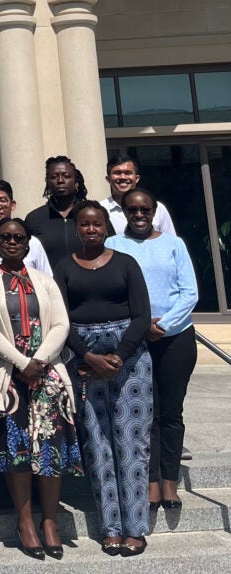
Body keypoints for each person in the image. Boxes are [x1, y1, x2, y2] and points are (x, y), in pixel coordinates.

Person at [0, 218, 81, 561]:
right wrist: (22, 362)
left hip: (47, 375)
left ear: (28, 243)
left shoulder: (44, 281)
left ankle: (49, 521)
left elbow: (61, 323)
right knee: (16, 451)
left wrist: (40, 358)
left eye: (19, 237)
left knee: (49, 450)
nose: (12, 242)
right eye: (5, 237)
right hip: (10, 378)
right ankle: (25, 523)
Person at [53, 200, 151, 557]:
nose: (90, 229)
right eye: (84, 224)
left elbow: (142, 315)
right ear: (77, 228)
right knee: (98, 443)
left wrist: (119, 356)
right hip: (84, 359)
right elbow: (61, 319)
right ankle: (110, 526)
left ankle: (135, 528)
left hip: (130, 359)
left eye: (96, 224)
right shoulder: (63, 267)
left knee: (131, 441)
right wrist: (88, 356)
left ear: (106, 226)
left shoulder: (126, 263)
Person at [107, 188, 198, 511]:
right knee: (145, 414)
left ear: (154, 211)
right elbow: (113, 291)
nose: (139, 216)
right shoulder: (113, 245)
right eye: (133, 211)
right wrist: (142, 325)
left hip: (175, 338)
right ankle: (150, 482)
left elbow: (190, 292)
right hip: (135, 339)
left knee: (170, 413)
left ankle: (170, 482)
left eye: (145, 210)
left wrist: (164, 324)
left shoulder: (174, 244)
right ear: (125, 212)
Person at [26, 155, 89, 268]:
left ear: (76, 183)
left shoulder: (91, 214)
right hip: (48, 283)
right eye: (54, 177)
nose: (60, 181)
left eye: (66, 176)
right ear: (47, 183)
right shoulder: (34, 219)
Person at [101, 154, 176, 236]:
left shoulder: (157, 208)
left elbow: (171, 242)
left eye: (128, 173)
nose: (123, 177)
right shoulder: (100, 210)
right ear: (108, 179)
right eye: (117, 173)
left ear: (137, 178)